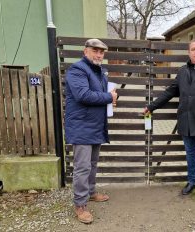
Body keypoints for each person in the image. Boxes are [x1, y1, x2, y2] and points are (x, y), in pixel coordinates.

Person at [143, 39, 195, 204]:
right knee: (190, 155)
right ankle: (192, 181)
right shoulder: (182, 71)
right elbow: (169, 92)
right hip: (186, 122)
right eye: (194, 49)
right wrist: (151, 107)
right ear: (189, 52)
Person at [65, 38, 118, 224]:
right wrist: (108, 97)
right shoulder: (77, 69)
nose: (99, 54)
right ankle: (80, 204)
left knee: (93, 163)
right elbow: (83, 95)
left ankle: (91, 192)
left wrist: (110, 99)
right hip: (81, 126)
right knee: (82, 166)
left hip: (95, 125)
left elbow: (102, 96)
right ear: (85, 51)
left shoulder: (100, 72)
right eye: (95, 50)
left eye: (101, 52)